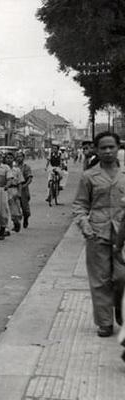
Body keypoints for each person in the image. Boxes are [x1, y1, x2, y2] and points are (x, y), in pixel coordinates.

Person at [74, 132, 125, 344]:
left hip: (123, 233)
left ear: (118, 147)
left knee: (121, 277)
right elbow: (80, 205)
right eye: (102, 147)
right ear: (96, 149)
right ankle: (104, 322)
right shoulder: (89, 176)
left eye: (111, 147)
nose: (107, 151)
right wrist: (86, 227)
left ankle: (120, 311)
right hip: (98, 232)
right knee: (100, 279)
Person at [4, 152, 24, 232]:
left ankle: (16, 222)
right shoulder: (3, 169)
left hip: (14, 190)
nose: (9, 160)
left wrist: (19, 193)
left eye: (10, 158)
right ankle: (5, 228)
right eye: (7, 158)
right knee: (4, 210)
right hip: (5, 190)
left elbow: (20, 182)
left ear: (13, 159)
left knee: (15, 211)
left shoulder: (17, 170)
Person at [15, 150, 33, 228]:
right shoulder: (14, 167)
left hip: (23, 188)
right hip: (15, 188)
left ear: (23, 157)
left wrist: (25, 185)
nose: (19, 158)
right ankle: (16, 223)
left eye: (20, 156)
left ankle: (26, 218)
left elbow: (29, 178)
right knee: (15, 207)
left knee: (25, 208)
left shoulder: (26, 167)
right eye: (17, 157)